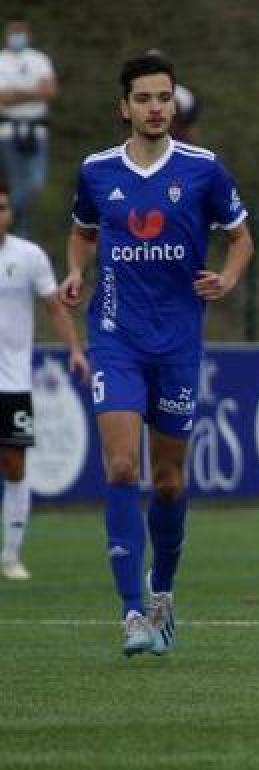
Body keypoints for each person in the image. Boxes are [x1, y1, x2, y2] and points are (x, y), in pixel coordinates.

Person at [59, 53, 253, 655]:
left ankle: (162, 591)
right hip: (115, 335)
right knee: (121, 467)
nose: (154, 108)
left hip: (177, 343)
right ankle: (132, 614)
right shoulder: (96, 171)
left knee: (168, 480)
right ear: (124, 107)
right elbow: (84, 232)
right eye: (143, 99)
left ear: (174, 104)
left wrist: (227, 278)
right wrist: (73, 270)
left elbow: (241, 237)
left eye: (163, 98)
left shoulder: (203, 170)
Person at [0, 180, 88, 580]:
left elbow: (54, 307)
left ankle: (11, 555)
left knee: (15, 465)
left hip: (13, 382)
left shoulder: (29, 255)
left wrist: (74, 349)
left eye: (3, 207)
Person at [0, 18, 57, 235]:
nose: (17, 36)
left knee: (35, 183)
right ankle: (19, 232)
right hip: (8, 132)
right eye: (13, 32)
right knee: (16, 183)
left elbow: (50, 91)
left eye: (20, 31)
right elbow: (2, 98)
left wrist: (16, 93)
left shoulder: (39, 59)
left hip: (37, 131)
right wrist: (34, 91)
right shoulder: (1, 60)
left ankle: (9, 220)